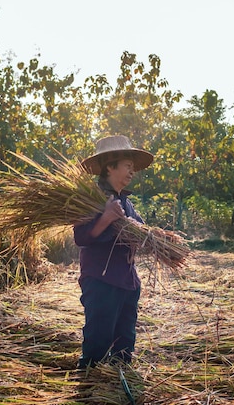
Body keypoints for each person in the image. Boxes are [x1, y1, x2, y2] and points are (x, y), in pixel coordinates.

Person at [73, 135, 154, 369]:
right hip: (102, 281)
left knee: (124, 346)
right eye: (128, 166)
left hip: (127, 281)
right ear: (110, 166)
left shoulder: (126, 201)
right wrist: (106, 217)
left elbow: (141, 234)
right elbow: (81, 237)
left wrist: (152, 239)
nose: (132, 172)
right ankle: (91, 391)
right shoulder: (91, 198)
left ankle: (117, 390)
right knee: (97, 346)